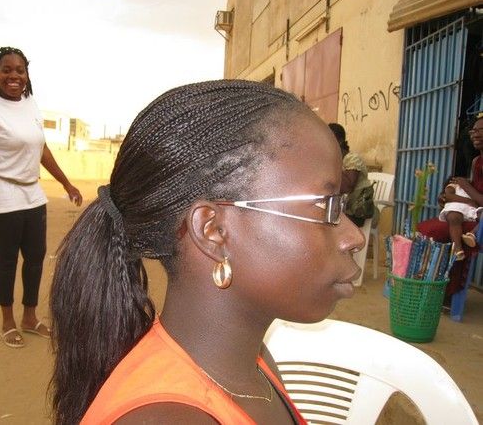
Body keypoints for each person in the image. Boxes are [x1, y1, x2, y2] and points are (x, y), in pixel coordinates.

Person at [50, 80, 365, 424]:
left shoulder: (250, 361)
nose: (354, 237)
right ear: (214, 231)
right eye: (324, 205)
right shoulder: (168, 418)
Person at [0, 46, 83, 349]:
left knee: (36, 256)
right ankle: (7, 321)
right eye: (7, 70)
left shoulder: (30, 104)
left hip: (31, 193)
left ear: (27, 75)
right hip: (0, 193)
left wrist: (66, 184)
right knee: (8, 259)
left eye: (20, 70)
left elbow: (41, 149)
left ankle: (29, 317)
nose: (14, 76)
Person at [417, 115, 483, 300]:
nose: (475, 134)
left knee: (446, 231)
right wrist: (451, 195)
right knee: (430, 228)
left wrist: (466, 187)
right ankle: (434, 289)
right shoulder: (476, 161)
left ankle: (450, 292)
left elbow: (477, 196)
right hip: (475, 211)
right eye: (473, 131)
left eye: (480, 130)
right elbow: (474, 192)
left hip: (480, 216)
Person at [328, 123, 375, 226]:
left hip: (357, 212)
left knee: (325, 221)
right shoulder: (331, 159)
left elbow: (347, 187)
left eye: (329, 138)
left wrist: (332, 164)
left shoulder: (353, 159)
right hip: (341, 209)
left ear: (340, 141)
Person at [439, 178, 482, 260]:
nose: (468, 180)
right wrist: (468, 201)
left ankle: (472, 234)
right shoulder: (453, 185)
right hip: (457, 208)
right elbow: (448, 196)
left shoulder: (470, 188)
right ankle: (458, 249)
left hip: (470, 210)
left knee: (481, 215)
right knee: (454, 218)